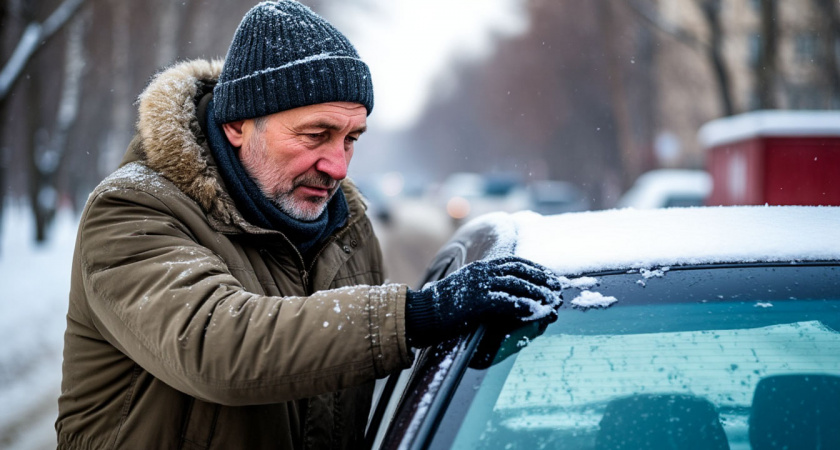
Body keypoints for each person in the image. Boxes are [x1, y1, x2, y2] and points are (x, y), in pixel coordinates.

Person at [56, 1, 562, 448]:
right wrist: (416, 315)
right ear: (237, 125)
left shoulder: (348, 229)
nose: (338, 166)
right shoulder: (132, 211)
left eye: (350, 139)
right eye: (316, 134)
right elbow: (214, 344)